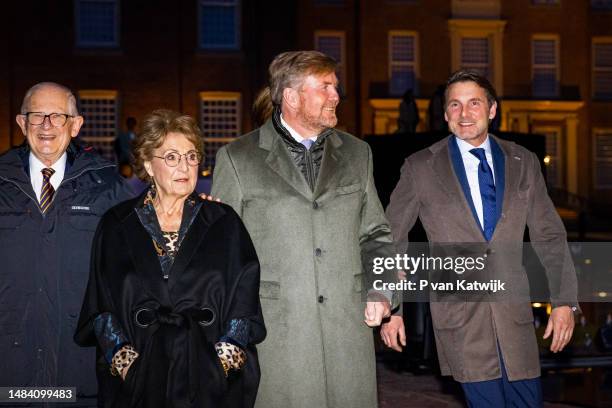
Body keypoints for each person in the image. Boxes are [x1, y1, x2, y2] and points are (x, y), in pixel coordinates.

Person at [211, 50, 398, 408]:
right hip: (277, 337)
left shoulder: (358, 154)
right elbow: (223, 255)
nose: (336, 96)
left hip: (348, 333)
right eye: (326, 87)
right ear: (292, 97)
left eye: (336, 87)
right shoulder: (238, 158)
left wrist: (382, 290)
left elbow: (376, 235)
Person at [383, 70, 579, 407]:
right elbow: (391, 239)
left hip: (514, 319)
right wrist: (392, 308)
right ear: (445, 115)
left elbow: (549, 235)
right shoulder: (419, 167)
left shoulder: (523, 161)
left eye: (474, 103)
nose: (464, 113)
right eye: (454, 105)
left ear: (492, 110)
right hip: (461, 320)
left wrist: (563, 301)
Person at [75, 109, 265, 408]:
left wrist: (220, 365)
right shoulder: (117, 223)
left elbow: (245, 300)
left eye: (192, 156)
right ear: (149, 164)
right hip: (138, 381)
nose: (185, 166)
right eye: (172, 157)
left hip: (211, 383)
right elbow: (102, 305)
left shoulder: (223, 221)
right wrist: (128, 366)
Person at [0, 82, 132, 403]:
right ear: (21, 123)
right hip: (9, 372)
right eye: (37, 116)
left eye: (57, 116)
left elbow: (129, 275)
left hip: (81, 370)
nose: (46, 126)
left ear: (75, 126)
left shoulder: (108, 187)